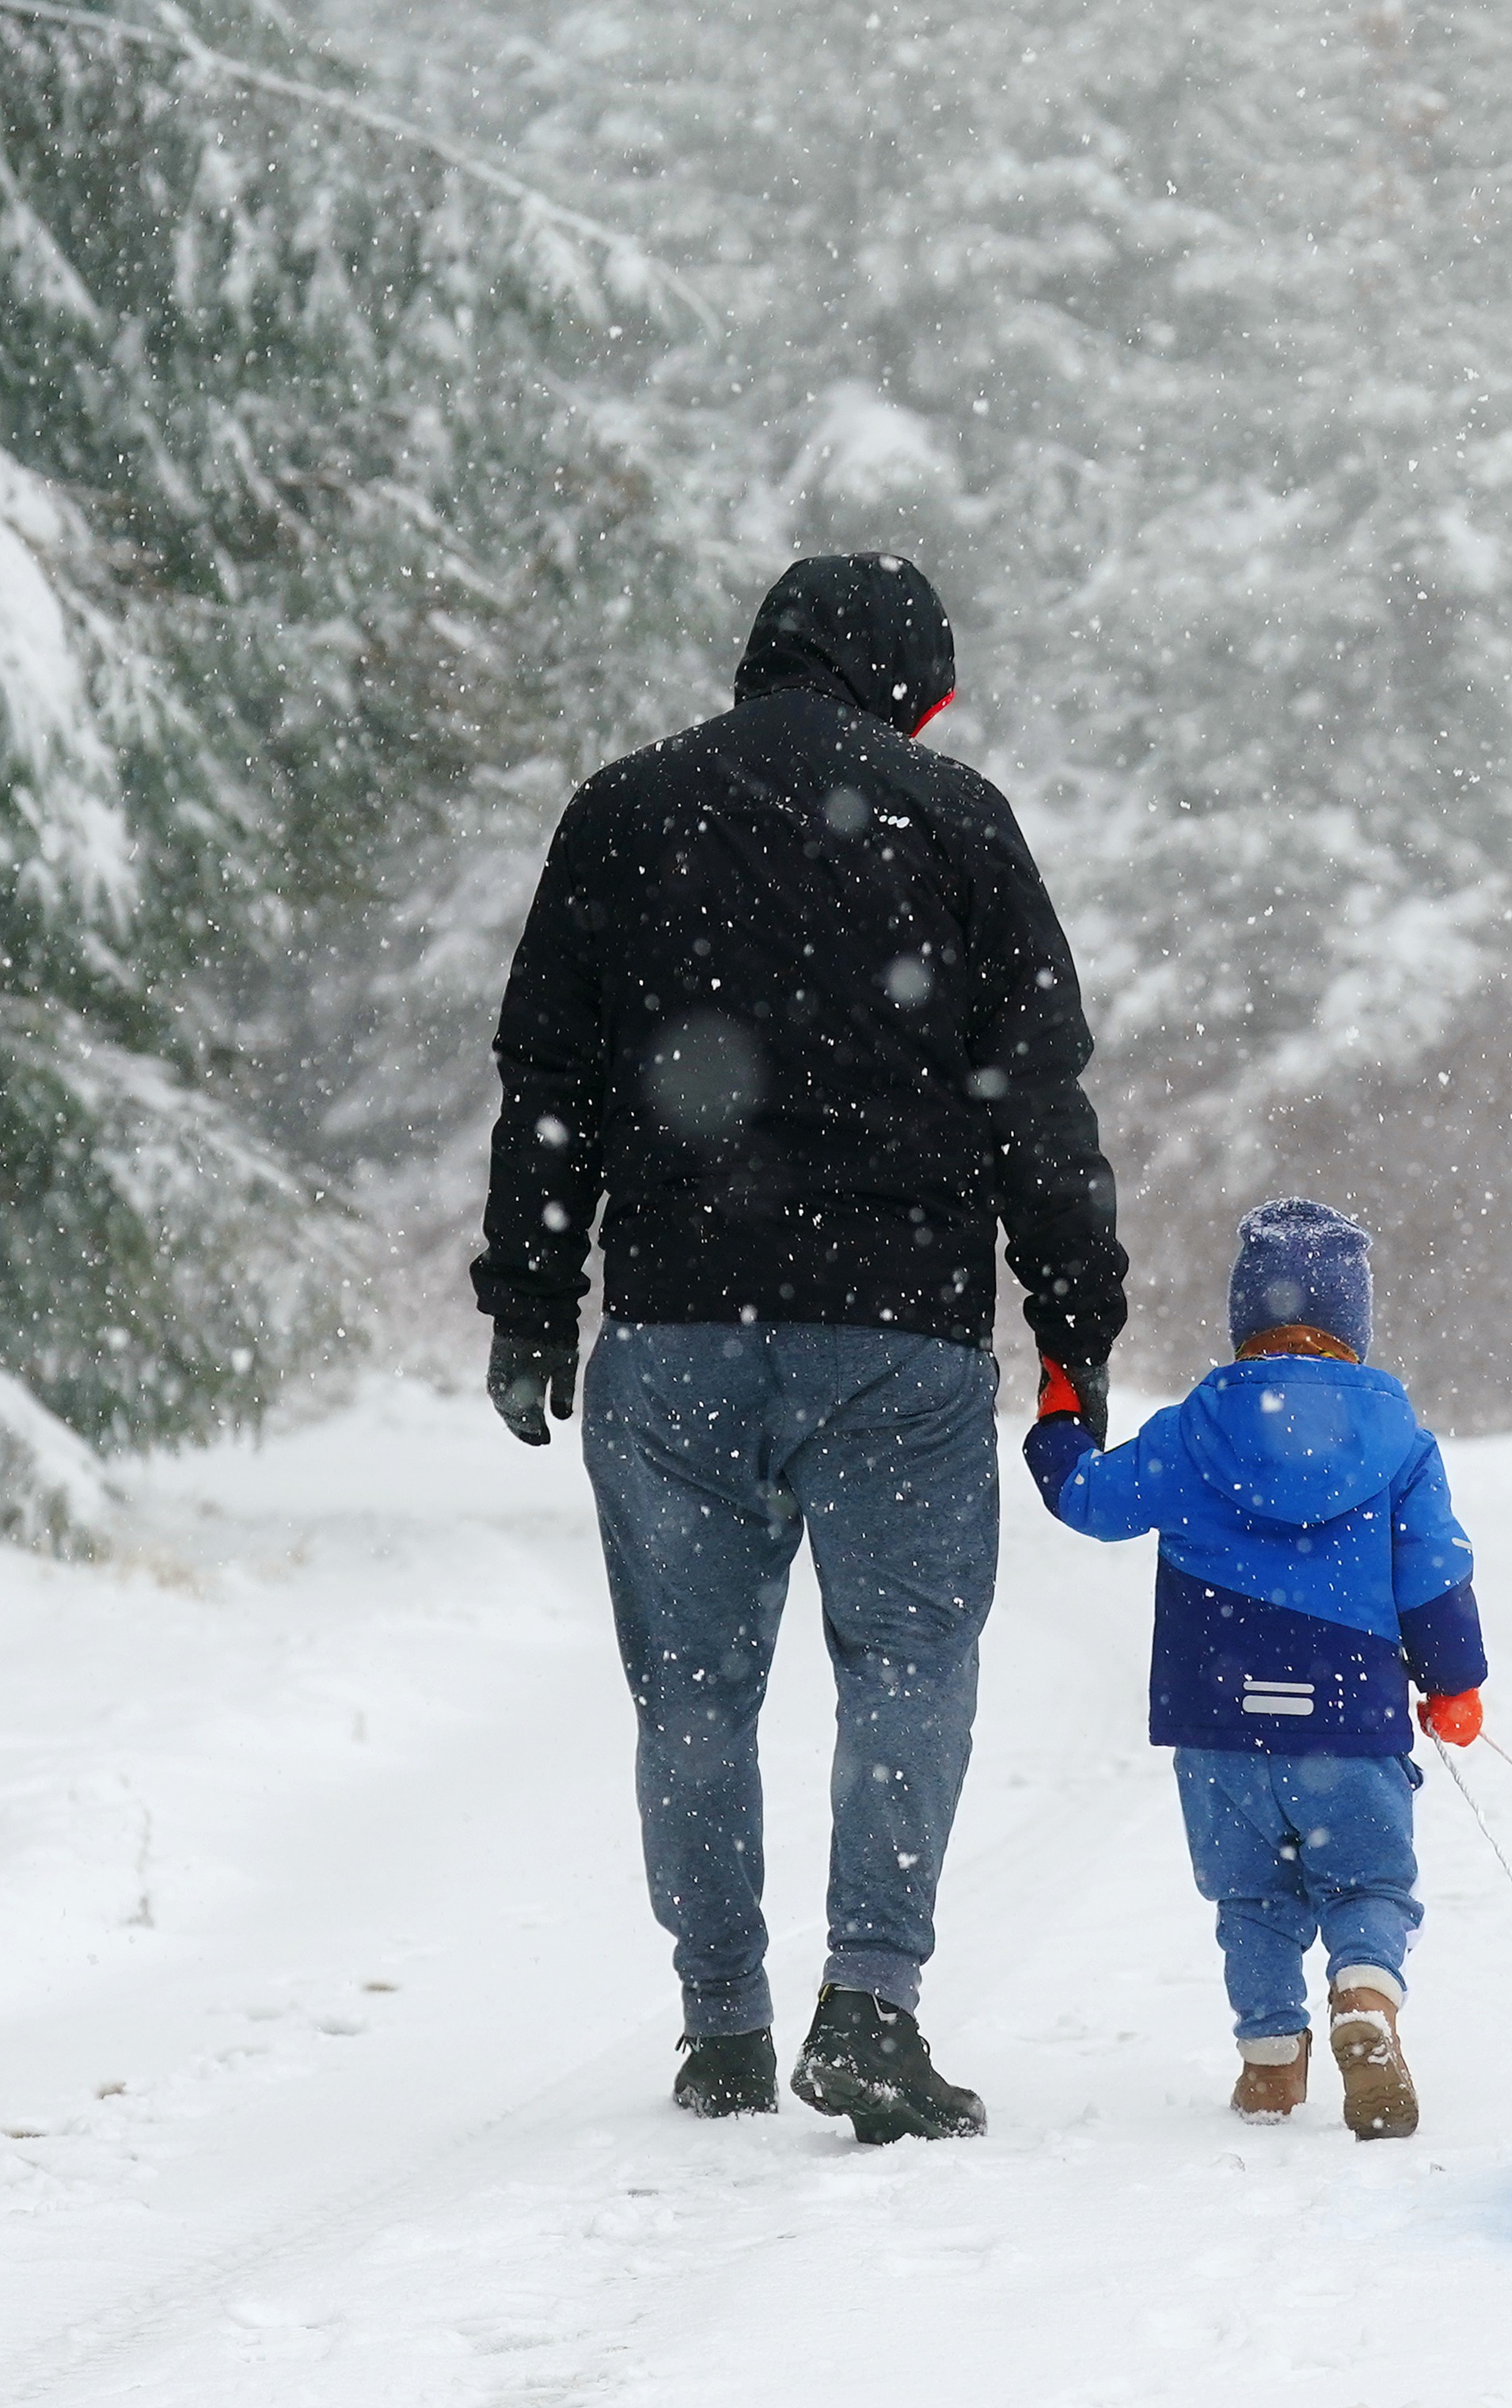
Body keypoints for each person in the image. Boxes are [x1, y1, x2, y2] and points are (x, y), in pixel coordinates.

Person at [470, 553, 1130, 2143]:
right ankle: (871, 2003)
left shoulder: (622, 811)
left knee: (693, 1689)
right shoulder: (957, 818)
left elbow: (546, 1077)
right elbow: (1035, 1095)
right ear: (898, 674)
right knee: (907, 1663)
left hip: (678, 1325)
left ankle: (721, 2022)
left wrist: (533, 1298)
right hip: (895, 1337)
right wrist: (1074, 1319)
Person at [1020, 1198, 1487, 2139]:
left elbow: (1087, 1499)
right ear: (1354, 1324)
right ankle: (1363, 1995)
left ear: (1244, 1320)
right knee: (1367, 1883)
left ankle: (1271, 2061)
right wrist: (1452, 1679)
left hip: (1219, 1720)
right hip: (1348, 1719)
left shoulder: (1192, 1429)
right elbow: (1432, 1564)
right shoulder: (1398, 1438)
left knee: (1253, 1896)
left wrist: (1060, 1418)